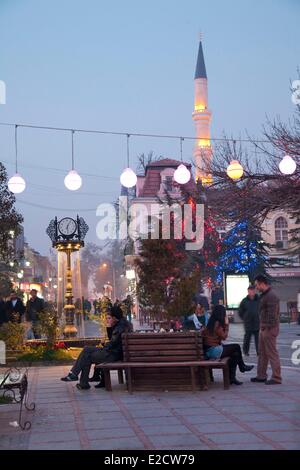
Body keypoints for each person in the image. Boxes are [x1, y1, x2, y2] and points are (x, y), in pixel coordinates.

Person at [61, 305, 132, 390]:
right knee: (87, 349)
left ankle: (80, 380)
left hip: (112, 355)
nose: (109, 319)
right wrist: (109, 327)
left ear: (114, 317)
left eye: (110, 317)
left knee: (86, 356)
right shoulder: (123, 323)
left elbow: (111, 344)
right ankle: (75, 376)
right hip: (115, 352)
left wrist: (103, 346)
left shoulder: (119, 327)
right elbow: (113, 342)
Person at [202, 305, 254, 385]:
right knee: (236, 347)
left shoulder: (211, 323)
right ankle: (242, 367)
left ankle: (232, 378)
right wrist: (227, 325)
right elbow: (224, 337)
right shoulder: (217, 324)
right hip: (214, 351)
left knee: (235, 354)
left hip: (209, 350)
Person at [251, 274, 282, 385]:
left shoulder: (271, 296)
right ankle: (261, 376)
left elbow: (273, 316)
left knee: (272, 353)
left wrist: (265, 327)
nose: (256, 287)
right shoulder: (265, 295)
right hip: (264, 328)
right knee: (262, 353)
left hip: (269, 329)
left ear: (261, 283)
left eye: (256, 285)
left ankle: (277, 377)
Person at [238, 285, 260, 356]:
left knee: (258, 339)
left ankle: (259, 352)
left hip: (257, 322)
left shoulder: (259, 299)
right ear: (248, 291)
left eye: (253, 290)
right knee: (247, 338)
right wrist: (244, 318)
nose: (252, 292)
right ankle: (245, 351)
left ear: (255, 291)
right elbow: (240, 311)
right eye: (250, 290)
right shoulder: (244, 301)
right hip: (248, 323)